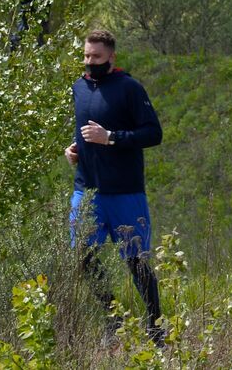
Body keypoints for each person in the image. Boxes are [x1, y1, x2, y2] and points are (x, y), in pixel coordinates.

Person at [64, 30, 164, 344]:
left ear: (111, 57)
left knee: (136, 262)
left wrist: (111, 138)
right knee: (82, 257)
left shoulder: (130, 88)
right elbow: (85, 129)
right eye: (86, 55)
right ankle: (113, 319)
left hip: (125, 192)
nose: (89, 62)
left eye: (95, 56)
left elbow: (153, 134)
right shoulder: (79, 87)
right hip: (87, 191)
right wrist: (74, 149)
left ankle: (155, 327)